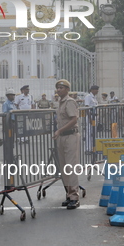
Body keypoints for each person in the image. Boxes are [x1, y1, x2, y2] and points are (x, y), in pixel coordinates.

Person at [53, 79, 81, 210]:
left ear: (67, 89)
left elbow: (74, 119)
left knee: (71, 166)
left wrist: (60, 130)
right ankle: (69, 194)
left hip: (70, 135)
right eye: (58, 88)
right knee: (64, 167)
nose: (59, 90)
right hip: (62, 137)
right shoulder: (59, 103)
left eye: (62, 88)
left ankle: (74, 196)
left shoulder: (70, 102)